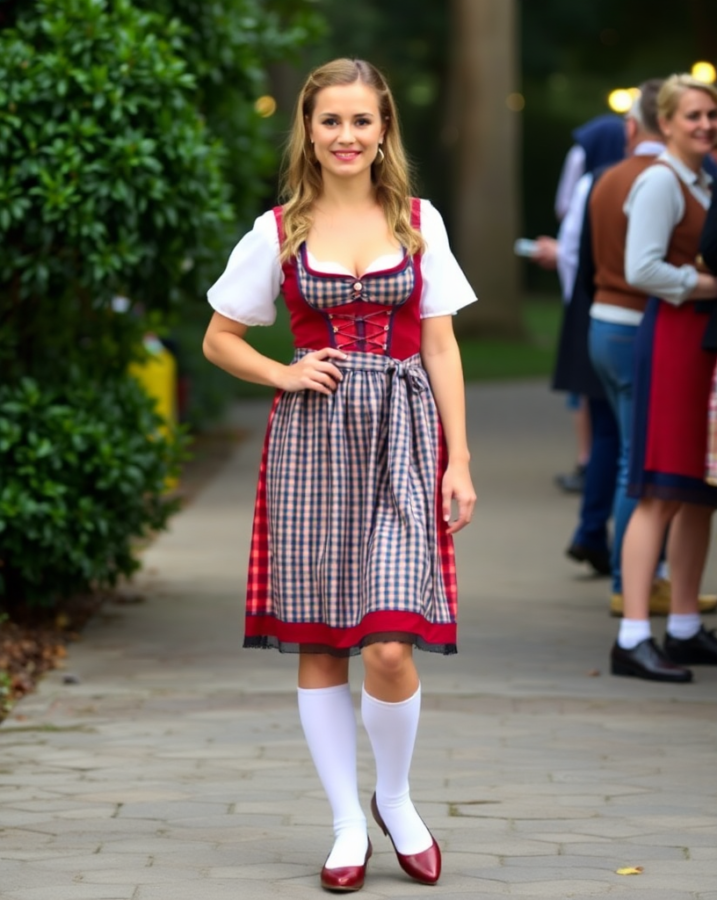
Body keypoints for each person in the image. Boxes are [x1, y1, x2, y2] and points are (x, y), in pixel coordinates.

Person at [202, 58, 477, 891]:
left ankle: (393, 797)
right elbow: (219, 338)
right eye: (330, 122)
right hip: (312, 445)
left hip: (402, 437)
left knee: (389, 644)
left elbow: (439, 344)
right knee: (322, 640)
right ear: (309, 130)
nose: (346, 136)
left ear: (384, 128)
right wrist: (282, 373)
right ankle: (345, 823)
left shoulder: (417, 220)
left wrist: (458, 458)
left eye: (361, 121)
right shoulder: (276, 229)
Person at [585, 80, 717, 619]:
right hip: (654, 331)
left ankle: (674, 611)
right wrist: (706, 285)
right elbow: (643, 268)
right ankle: (633, 608)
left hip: (663, 332)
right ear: (664, 123)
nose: (706, 124)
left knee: (682, 484)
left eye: (712, 114)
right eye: (693, 115)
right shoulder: (663, 182)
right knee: (649, 476)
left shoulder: (696, 178)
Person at [532, 115, 626, 575]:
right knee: (630, 439)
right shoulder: (631, 180)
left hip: (589, 313)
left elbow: (571, 247)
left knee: (608, 432)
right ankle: (642, 564)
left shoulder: (594, 180)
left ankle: (591, 531)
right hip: (624, 317)